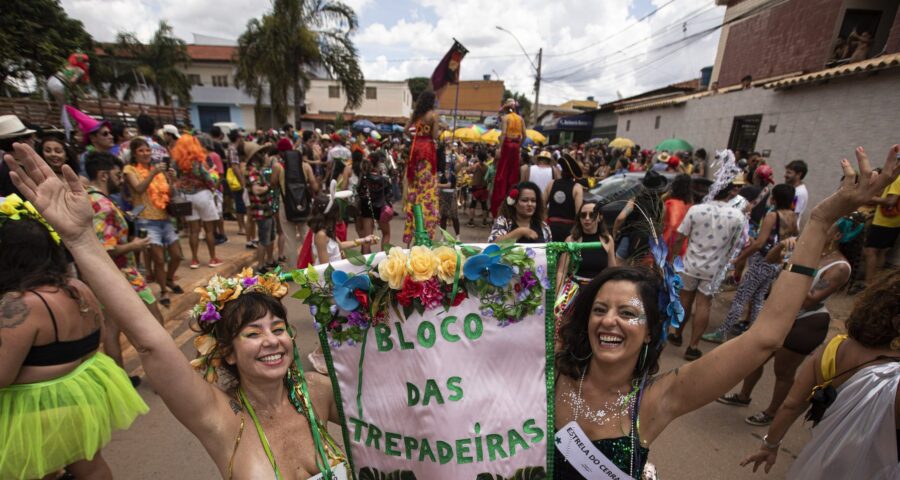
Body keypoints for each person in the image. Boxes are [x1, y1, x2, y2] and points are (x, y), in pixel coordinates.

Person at [6, 142, 355, 479]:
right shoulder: (217, 415)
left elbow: (389, 417)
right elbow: (150, 343)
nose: (272, 340)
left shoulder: (316, 391)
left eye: (278, 329)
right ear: (228, 354)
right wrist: (82, 239)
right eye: (253, 333)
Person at [551, 145, 899, 480]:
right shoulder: (553, 374)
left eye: (627, 313)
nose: (609, 319)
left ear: (650, 332)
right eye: (599, 309)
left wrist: (820, 222)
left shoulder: (659, 399)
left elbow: (766, 337)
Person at [0, 194, 147, 480]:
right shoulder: (78, 287)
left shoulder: (18, 305)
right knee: (90, 466)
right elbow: (97, 339)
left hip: (35, 413)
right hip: (83, 401)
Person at [740, 269, 899, 479]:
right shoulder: (892, 377)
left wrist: (770, 446)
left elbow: (792, 405)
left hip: (818, 462)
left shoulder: (835, 347)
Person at [718, 219, 854, 426]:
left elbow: (810, 298)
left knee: (783, 371)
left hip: (806, 322)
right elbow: (770, 259)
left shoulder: (840, 267)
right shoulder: (807, 249)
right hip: (781, 314)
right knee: (755, 358)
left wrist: (794, 267)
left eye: (827, 227)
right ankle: (743, 396)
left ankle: (772, 412)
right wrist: (783, 245)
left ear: (837, 236)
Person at [702, 184, 798, 343]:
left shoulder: (772, 216)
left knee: (741, 297)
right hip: (777, 262)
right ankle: (753, 332)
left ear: (775, 198)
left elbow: (759, 243)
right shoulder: (793, 216)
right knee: (759, 297)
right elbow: (791, 238)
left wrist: (739, 258)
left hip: (763, 260)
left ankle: (723, 332)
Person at [84, 152, 165, 326]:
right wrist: (135, 245)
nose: (121, 181)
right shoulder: (104, 206)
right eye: (118, 175)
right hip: (121, 273)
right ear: (103, 175)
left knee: (112, 328)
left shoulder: (88, 198)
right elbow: (106, 249)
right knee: (155, 320)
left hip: (101, 276)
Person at [672, 181, 747, 359]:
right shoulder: (737, 216)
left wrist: (673, 260)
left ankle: (676, 335)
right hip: (714, 269)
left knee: (685, 300)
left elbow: (679, 237)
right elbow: (738, 244)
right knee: (704, 304)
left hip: (690, 264)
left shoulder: (696, 210)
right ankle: (693, 346)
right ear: (729, 194)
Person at [123, 137, 183, 308]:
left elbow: (169, 193)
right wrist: (153, 173)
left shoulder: (158, 170)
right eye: (141, 150)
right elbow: (139, 188)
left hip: (165, 218)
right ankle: (163, 290)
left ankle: (170, 279)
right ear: (134, 153)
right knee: (158, 259)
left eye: (147, 150)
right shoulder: (129, 169)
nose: (145, 153)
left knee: (177, 255)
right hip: (145, 220)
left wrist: (171, 180)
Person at [554, 202, 617, 323]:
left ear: (600, 217)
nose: (587, 219)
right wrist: (558, 294)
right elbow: (561, 271)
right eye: (583, 215)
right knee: (558, 316)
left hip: (598, 288)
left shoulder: (607, 240)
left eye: (592, 215)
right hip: (574, 288)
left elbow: (612, 271)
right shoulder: (572, 240)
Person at [172, 133, 223, 269]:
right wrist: (213, 185)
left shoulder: (177, 162)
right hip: (203, 195)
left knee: (193, 231)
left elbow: (175, 178)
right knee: (209, 230)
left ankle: (194, 260)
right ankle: (213, 258)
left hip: (187, 198)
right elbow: (208, 178)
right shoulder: (198, 160)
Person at [402, 90, 439, 245]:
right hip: (428, 151)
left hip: (415, 150)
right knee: (428, 191)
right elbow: (435, 136)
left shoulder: (415, 115)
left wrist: (416, 137)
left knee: (415, 189)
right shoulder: (433, 116)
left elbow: (405, 130)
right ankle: (426, 230)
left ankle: (411, 230)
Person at [613, 170, 668, 263]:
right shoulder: (662, 205)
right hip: (650, 243)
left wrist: (614, 233)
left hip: (630, 238)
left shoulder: (635, 200)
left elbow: (620, 218)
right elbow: (660, 225)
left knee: (617, 267)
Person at [245, 143, 282, 273]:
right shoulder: (252, 172)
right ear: (256, 156)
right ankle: (260, 266)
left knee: (271, 237)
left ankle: (269, 261)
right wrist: (268, 188)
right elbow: (256, 190)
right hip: (261, 211)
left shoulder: (258, 170)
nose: (265, 155)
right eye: (262, 153)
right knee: (264, 239)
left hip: (267, 209)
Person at [862, 174, 900, 286]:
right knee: (881, 252)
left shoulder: (898, 179)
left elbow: (890, 201)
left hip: (884, 221)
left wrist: (872, 198)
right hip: (893, 221)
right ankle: (874, 283)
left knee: (870, 251)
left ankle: (868, 284)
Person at [490, 98, 525, 217]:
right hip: (516, 147)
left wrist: (500, 148)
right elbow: (524, 135)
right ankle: (511, 203)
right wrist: (519, 146)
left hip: (507, 145)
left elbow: (504, 133)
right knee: (513, 175)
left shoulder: (506, 118)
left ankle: (499, 206)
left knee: (502, 174)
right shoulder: (520, 119)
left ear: (506, 108)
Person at [545, 154, 585, 242]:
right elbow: (578, 213)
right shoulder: (577, 187)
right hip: (568, 231)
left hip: (551, 228)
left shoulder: (552, 183)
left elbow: (542, 205)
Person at [356, 157, 391, 253]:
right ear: (378, 164)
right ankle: (384, 258)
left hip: (367, 208)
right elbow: (389, 193)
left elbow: (358, 191)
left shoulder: (364, 177)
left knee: (368, 238)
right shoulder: (383, 179)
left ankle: (366, 264)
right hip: (381, 210)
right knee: (386, 233)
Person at [662, 174, 692, 258]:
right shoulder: (689, 205)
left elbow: (673, 226)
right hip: (683, 244)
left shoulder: (671, 203)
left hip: (670, 243)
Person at [466, 150, 490, 227]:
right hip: (484, 187)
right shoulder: (487, 167)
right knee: (484, 205)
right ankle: (484, 222)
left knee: (473, 204)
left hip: (476, 187)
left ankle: (471, 221)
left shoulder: (476, 166)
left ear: (478, 157)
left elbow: (467, 171)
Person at [437, 160, 460, 236]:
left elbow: (449, 185)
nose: (446, 165)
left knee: (454, 217)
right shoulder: (442, 175)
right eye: (445, 163)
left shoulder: (453, 175)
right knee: (443, 217)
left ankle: (458, 236)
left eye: (448, 164)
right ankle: (442, 237)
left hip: (452, 196)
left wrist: (438, 185)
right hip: (443, 197)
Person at [784, 159, 809, 225]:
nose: (785, 175)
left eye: (789, 173)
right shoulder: (794, 190)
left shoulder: (798, 193)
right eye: (786, 172)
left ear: (799, 174)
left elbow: (792, 214)